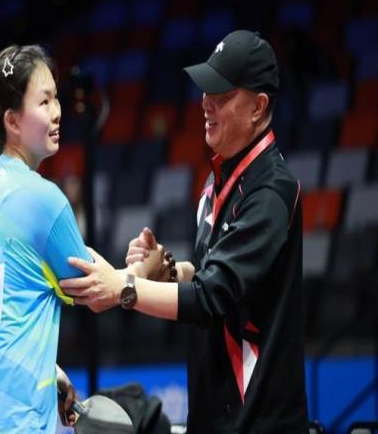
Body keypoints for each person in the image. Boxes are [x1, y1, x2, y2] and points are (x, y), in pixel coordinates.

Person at [60, 30, 309, 433]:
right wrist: (170, 272)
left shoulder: (270, 192)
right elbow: (216, 279)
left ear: (258, 107)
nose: (206, 103)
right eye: (206, 91)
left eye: (222, 95)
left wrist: (124, 288)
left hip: (259, 423)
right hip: (215, 417)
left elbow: (212, 297)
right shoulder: (217, 183)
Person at [0, 44, 89, 433]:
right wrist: (146, 272)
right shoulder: (43, 199)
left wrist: (47, 370)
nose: (57, 111)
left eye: (56, 98)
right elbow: (98, 290)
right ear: (13, 121)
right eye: (44, 101)